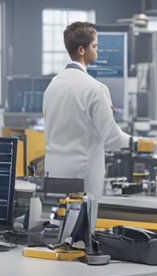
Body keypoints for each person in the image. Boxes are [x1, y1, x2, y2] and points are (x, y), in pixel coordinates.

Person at [42, 21, 132, 195]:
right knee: (82, 220)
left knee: (58, 219)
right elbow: (113, 140)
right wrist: (138, 143)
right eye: (94, 46)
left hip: (53, 171)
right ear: (82, 50)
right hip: (82, 175)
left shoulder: (52, 86)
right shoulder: (96, 88)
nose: (96, 50)